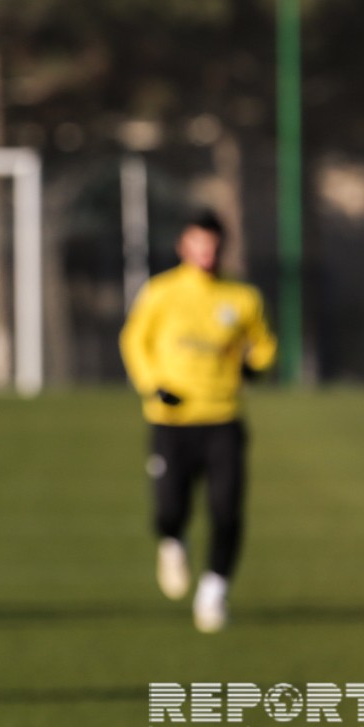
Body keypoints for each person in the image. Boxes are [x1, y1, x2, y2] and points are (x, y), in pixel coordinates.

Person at [119, 209, 276, 633]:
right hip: (171, 420)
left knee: (226, 511)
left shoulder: (242, 297)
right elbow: (135, 339)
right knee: (170, 510)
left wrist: (256, 366)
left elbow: (262, 345)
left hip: (223, 418)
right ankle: (173, 542)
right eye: (199, 243)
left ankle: (214, 592)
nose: (207, 252)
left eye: (214, 243)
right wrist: (153, 384)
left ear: (223, 246)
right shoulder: (161, 292)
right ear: (184, 246)